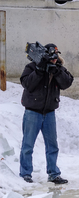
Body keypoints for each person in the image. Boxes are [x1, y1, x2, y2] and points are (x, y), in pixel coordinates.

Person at [19, 43, 73, 184]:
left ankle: (53, 173)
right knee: (28, 145)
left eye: (56, 56)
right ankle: (25, 174)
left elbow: (67, 83)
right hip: (32, 112)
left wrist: (57, 71)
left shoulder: (58, 68)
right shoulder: (31, 67)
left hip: (49, 112)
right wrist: (39, 70)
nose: (54, 59)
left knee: (52, 145)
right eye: (51, 57)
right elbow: (27, 84)